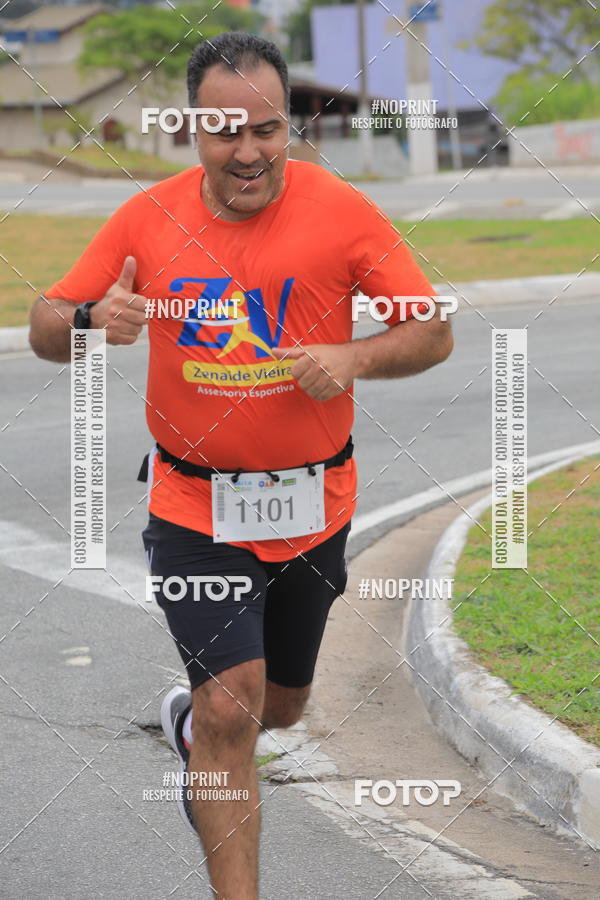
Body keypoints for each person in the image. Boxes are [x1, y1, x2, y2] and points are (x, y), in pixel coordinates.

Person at [29, 31, 453, 900]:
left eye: (268, 130)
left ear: (287, 126)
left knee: (281, 710)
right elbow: (46, 320)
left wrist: (358, 357)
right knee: (236, 707)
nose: (250, 152)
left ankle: (188, 726)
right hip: (194, 511)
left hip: (316, 505)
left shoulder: (343, 212)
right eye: (227, 132)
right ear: (194, 129)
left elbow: (432, 330)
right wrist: (85, 322)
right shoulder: (149, 217)